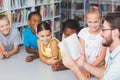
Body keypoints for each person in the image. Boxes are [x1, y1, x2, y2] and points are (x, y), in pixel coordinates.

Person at [61, 13, 120, 80]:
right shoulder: (113, 52)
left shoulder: (118, 62)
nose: (101, 33)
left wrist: (74, 68)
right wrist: (83, 64)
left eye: (104, 30)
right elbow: (105, 73)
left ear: (115, 32)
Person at [78, 6, 107, 78]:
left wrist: (89, 69)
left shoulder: (104, 33)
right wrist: (85, 68)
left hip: (98, 68)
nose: (92, 25)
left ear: (101, 20)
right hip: (84, 67)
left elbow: (102, 56)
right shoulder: (83, 32)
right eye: (89, 22)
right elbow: (82, 53)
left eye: (96, 22)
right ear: (86, 20)